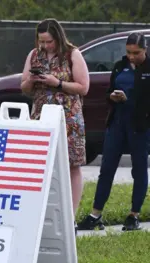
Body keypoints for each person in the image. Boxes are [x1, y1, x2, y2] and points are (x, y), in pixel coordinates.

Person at [20, 18, 89, 228]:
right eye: (41, 41)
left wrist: (57, 83)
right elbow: (24, 87)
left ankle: (70, 217)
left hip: (68, 116)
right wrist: (32, 81)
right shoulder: (34, 55)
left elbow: (83, 87)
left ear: (57, 37)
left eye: (48, 41)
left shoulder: (72, 54)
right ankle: (43, 212)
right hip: (41, 114)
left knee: (72, 164)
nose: (45, 46)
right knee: (41, 164)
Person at [78, 33, 150, 231]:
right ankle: (95, 214)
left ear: (145, 50)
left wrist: (131, 101)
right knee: (107, 168)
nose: (132, 56)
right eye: (128, 52)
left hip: (139, 126)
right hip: (117, 123)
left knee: (139, 169)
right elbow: (108, 91)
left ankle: (134, 215)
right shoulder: (120, 66)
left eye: (136, 53)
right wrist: (113, 96)